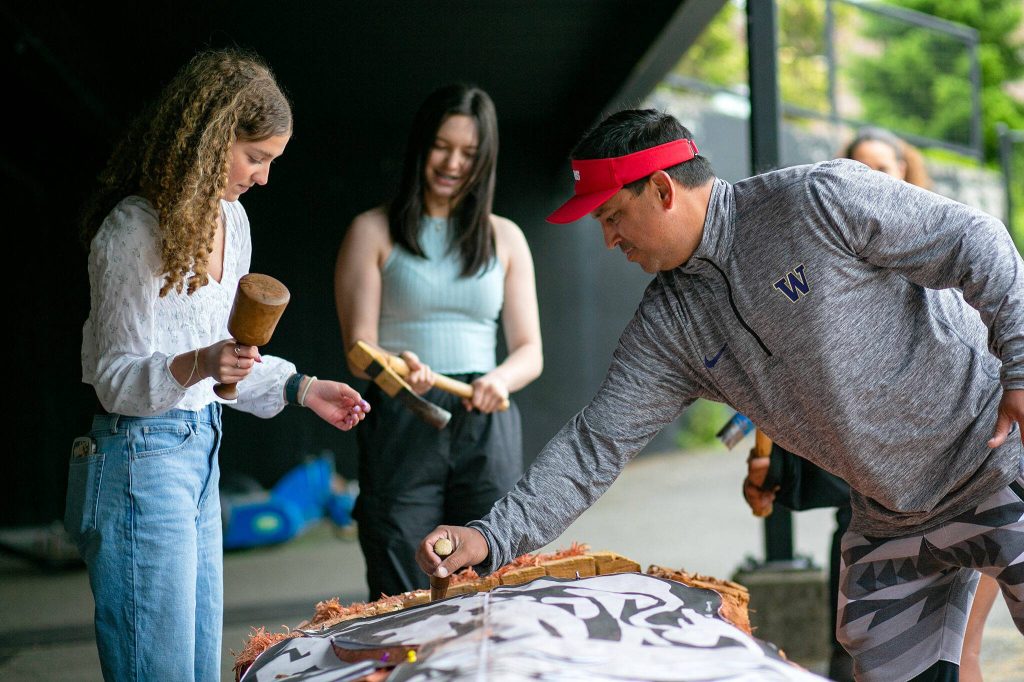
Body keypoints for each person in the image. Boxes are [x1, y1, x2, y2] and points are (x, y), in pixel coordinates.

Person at [416, 108, 1024, 682]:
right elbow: (593, 444)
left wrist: (1021, 371)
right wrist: (492, 536)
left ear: (661, 189)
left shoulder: (815, 200)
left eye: (611, 216)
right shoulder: (668, 325)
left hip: (996, 458)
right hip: (892, 517)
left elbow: (977, 240)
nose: (607, 240)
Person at [67, 47, 370, 682]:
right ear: (209, 140)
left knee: (202, 668)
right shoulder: (130, 233)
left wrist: (302, 387)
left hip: (202, 448)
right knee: (162, 670)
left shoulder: (234, 220)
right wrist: (199, 361)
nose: (263, 177)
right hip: (139, 462)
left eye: (270, 162)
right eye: (255, 158)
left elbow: (229, 362)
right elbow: (115, 378)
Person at [742, 125, 1002, 681]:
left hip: (969, 475)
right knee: (871, 650)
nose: (872, 180)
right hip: (868, 494)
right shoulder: (831, 257)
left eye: (884, 167)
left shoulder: (942, 247)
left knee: (961, 653)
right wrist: (762, 455)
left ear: (906, 173)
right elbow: (779, 364)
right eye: (861, 167)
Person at [334, 83, 542, 600]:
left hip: (486, 422)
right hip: (405, 419)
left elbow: (529, 350)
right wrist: (400, 371)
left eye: (469, 154)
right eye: (442, 147)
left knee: (496, 577)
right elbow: (359, 351)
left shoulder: (506, 237)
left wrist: (498, 379)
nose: (453, 163)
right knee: (401, 579)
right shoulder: (371, 230)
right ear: (421, 146)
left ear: (484, 162)